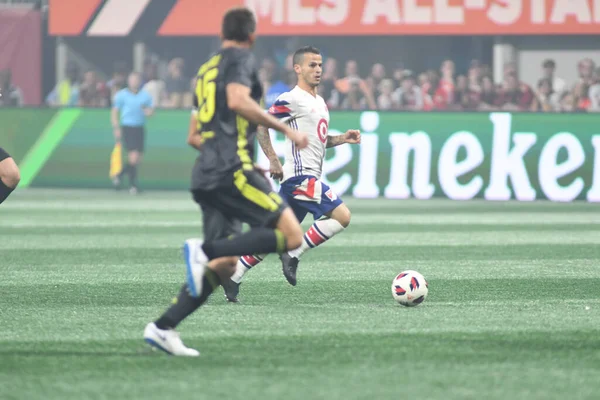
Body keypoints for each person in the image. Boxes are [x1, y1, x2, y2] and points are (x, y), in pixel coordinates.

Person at [143, 7, 309, 356]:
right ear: (252, 35)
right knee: (291, 235)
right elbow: (237, 100)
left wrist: (235, 157)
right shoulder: (241, 59)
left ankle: (163, 327)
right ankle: (203, 250)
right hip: (230, 170)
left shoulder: (205, 70)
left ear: (222, 33)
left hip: (208, 172)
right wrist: (284, 132)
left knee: (226, 266)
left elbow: (194, 134)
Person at [221, 46, 361, 303]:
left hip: (299, 181)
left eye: (320, 65)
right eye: (312, 65)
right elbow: (262, 123)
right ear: (297, 68)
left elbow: (319, 141)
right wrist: (273, 158)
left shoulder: (319, 102)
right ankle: (293, 254)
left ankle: (233, 275)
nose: (318, 70)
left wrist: (343, 139)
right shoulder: (292, 98)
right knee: (342, 216)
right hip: (300, 178)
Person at [111, 72, 154, 195]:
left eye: (136, 80)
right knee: (133, 157)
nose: (134, 82)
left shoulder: (145, 96)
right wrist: (116, 127)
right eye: (132, 79)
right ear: (129, 81)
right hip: (128, 127)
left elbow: (151, 111)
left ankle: (119, 175)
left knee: (137, 159)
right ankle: (133, 185)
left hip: (139, 128)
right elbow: (115, 112)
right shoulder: (122, 95)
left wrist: (148, 112)